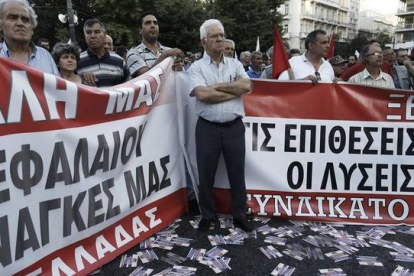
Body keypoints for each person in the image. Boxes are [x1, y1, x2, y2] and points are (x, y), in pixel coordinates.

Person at [188, 19, 253, 232]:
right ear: (203, 42)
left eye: (221, 35)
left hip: (234, 126)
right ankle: (207, 215)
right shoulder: (196, 67)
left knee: (237, 173)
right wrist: (232, 90)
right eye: (215, 36)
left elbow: (247, 85)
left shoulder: (235, 64)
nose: (220, 39)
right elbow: (203, 95)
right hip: (207, 128)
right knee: (206, 174)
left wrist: (217, 87)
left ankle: (240, 215)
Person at [0, 0, 59, 75]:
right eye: (13, 17)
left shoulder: (45, 56)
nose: (20, 23)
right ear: (1, 25)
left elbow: (56, 85)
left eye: (26, 20)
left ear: (32, 29)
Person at [126, 12, 183, 78]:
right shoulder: (133, 53)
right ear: (140, 30)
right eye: (148, 23)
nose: (153, 25)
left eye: (155, 23)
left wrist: (180, 69)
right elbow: (145, 79)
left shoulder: (170, 51)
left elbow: (179, 78)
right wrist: (165, 55)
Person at [77, 19, 127, 87]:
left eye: (97, 32)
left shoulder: (119, 61)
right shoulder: (77, 61)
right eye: (88, 32)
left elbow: (129, 87)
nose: (92, 36)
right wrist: (81, 80)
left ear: (104, 35)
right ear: (85, 36)